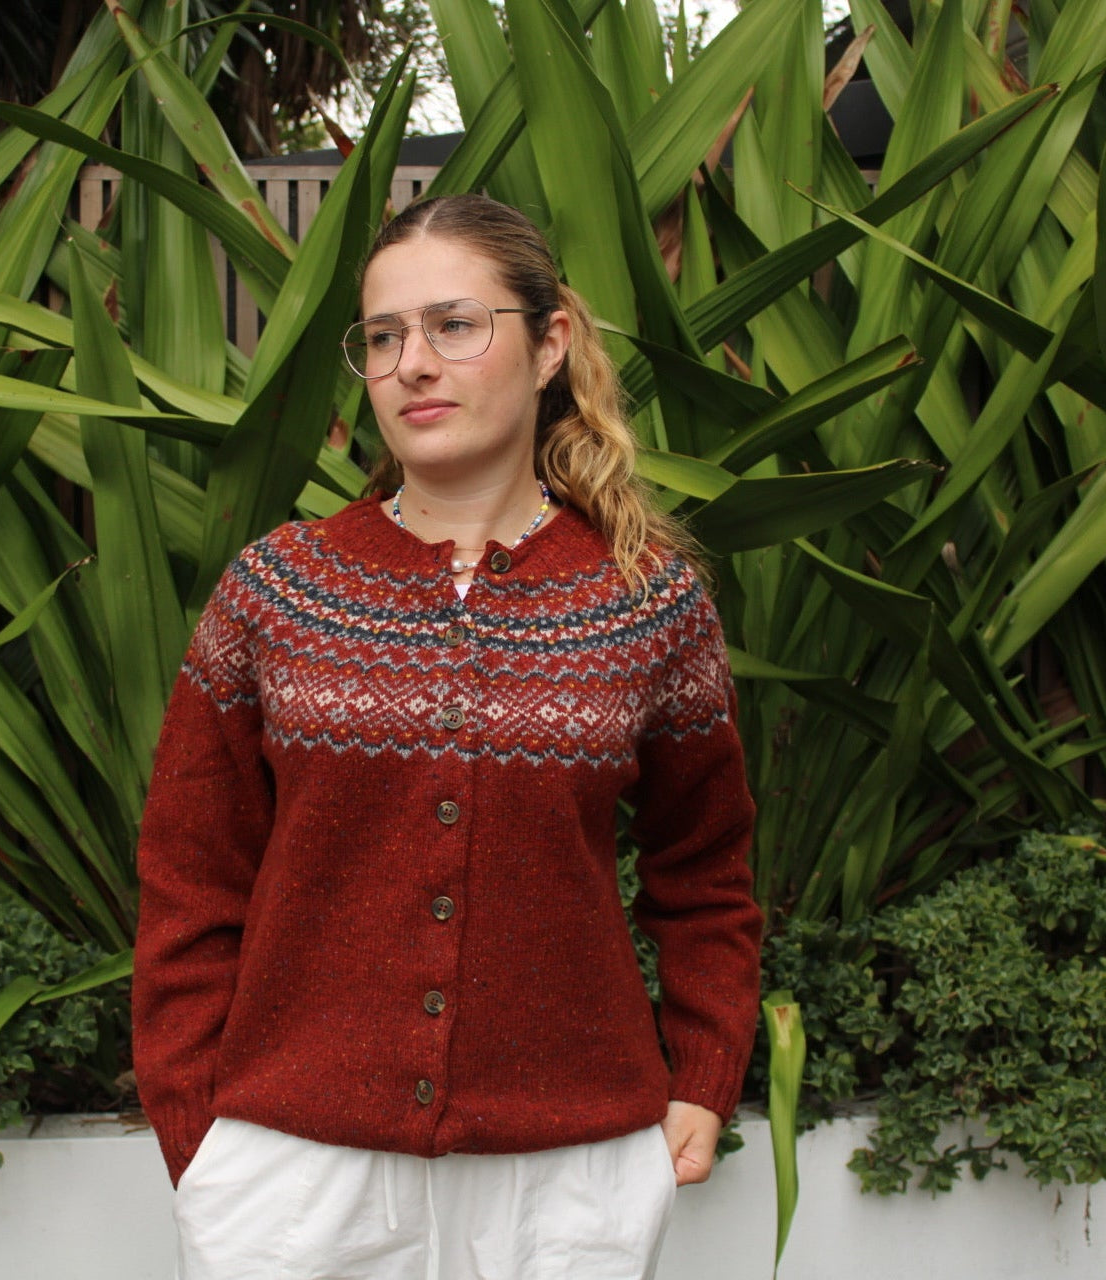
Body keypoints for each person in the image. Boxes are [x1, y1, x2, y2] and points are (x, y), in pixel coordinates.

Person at [132, 193, 761, 1280]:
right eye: (383, 336)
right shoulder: (276, 591)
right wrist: (201, 1132)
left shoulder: (643, 603)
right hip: (290, 1174)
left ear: (549, 342)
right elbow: (191, 875)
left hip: (570, 1176)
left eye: (453, 324)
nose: (412, 363)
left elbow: (704, 871)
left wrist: (701, 1073)